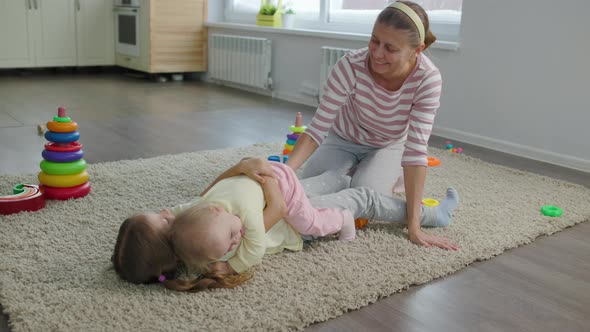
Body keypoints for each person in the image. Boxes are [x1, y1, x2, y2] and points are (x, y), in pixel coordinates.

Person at [112, 157, 460, 291]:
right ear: (166, 238)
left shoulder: (184, 223)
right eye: (158, 217)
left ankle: (339, 172)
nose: (164, 210)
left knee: (324, 179)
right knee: (362, 199)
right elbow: (272, 215)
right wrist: (266, 185)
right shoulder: (212, 248)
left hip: (282, 195)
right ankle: (432, 215)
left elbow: (209, 192)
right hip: (298, 224)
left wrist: (241, 168)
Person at [285, 1, 454, 250]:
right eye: (374, 40)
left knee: (365, 199)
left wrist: (415, 226)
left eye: (390, 48)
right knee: (310, 186)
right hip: (343, 138)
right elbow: (317, 128)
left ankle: (396, 186)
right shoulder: (350, 66)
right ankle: (347, 177)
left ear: (416, 50)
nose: (377, 53)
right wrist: (284, 176)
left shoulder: (427, 79)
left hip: (388, 145)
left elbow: (416, 152)